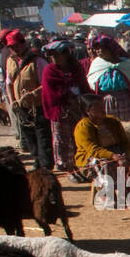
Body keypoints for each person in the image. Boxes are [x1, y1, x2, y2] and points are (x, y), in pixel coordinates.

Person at [40, 40, 90, 173]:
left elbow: (83, 86)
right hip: (61, 112)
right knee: (62, 139)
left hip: (78, 110)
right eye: (51, 56)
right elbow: (50, 93)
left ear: (66, 54)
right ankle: (67, 167)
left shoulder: (76, 68)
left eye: (57, 55)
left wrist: (82, 101)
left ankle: (81, 165)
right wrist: (67, 98)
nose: (54, 58)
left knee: (78, 138)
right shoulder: (49, 71)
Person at [5, 31, 52, 169]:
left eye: (16, 45)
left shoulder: (38, 61)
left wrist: (34, 93)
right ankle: (37, 161)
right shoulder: (10, 61)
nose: (14, 49)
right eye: (11, 47)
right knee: (29, 136)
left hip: (38, 106)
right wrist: (12, 100)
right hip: (22, 107)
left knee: (42, 136)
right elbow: (9, 83)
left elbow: (47, 83)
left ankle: (46, 166)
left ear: (23, 43)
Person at [87, 36, 130, 124]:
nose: (97, 51)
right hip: (106, 104)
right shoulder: (97, 65)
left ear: (109, 48)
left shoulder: (124, 64)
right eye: (96, 49)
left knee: (129, 129)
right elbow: (92, 84)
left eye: (100, 48)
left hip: (126, 104)